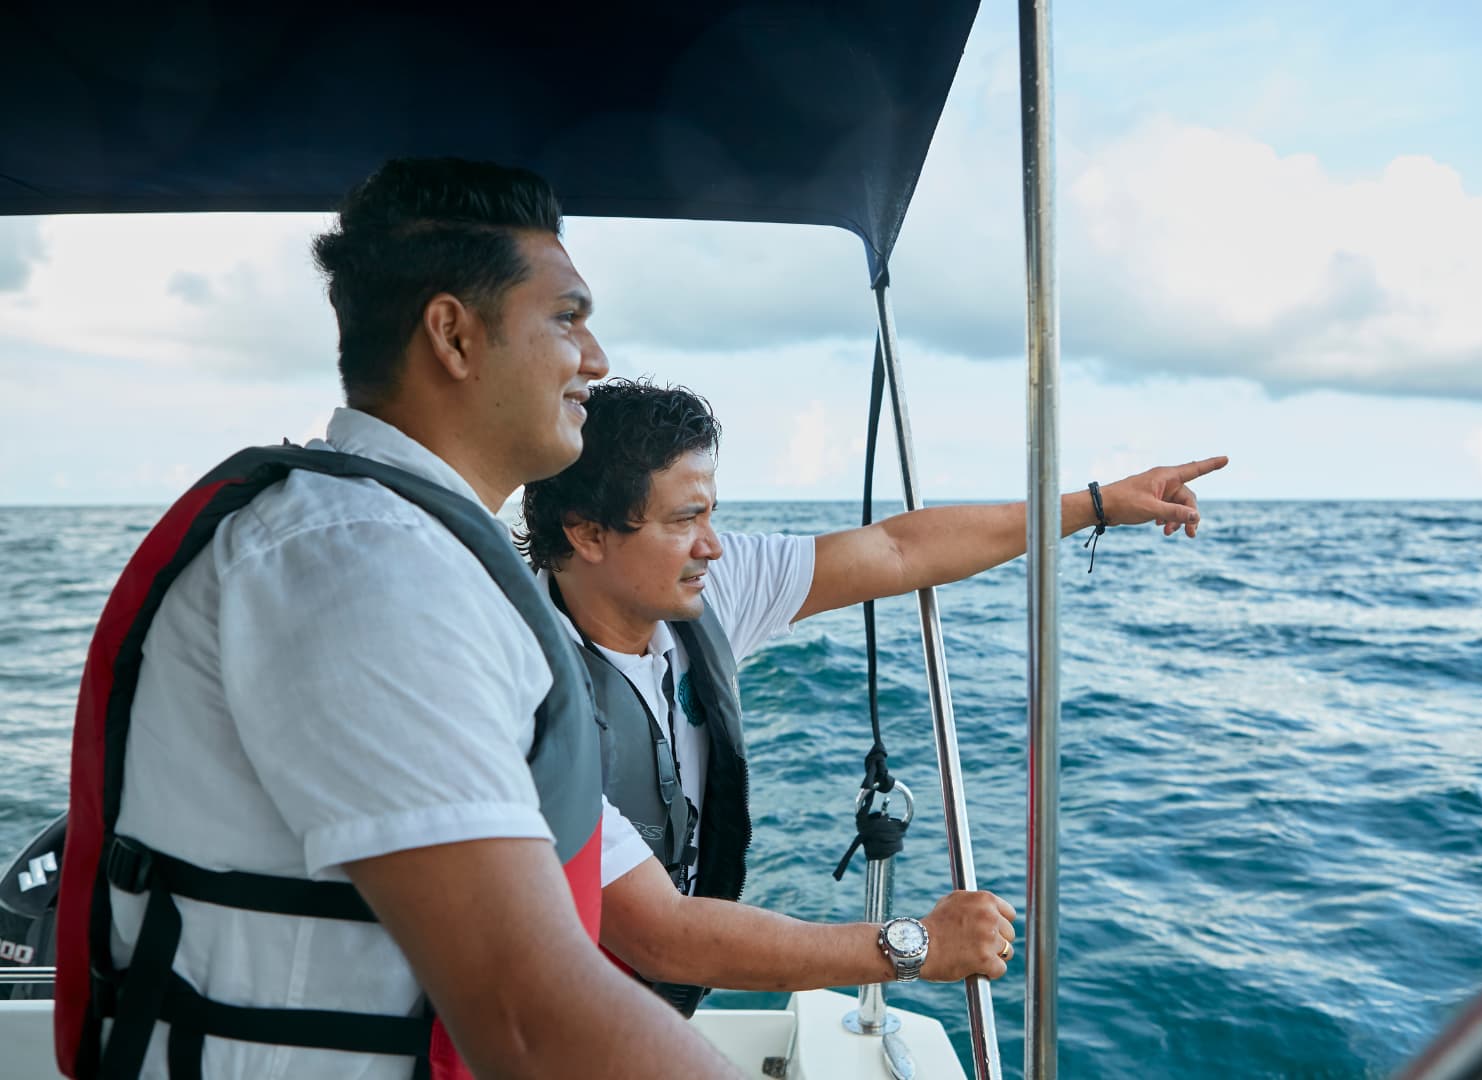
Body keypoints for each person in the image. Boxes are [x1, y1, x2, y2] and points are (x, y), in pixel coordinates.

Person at [58, 158, 746, 1079]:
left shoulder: (412, 549)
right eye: (566, 318)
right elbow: (525, 1016)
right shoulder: (366, 568)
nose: (595, 358)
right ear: (453, 336)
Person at [518, 378, 1228, 1010]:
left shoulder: (701, 591)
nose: (714, 546)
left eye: (710, 516)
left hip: (637, 1007)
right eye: (683, 521)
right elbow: (661, 936)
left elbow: (898, 550)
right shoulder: (520, 689)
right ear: (587, 534)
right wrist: (917, 946)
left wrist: (1096, 505)